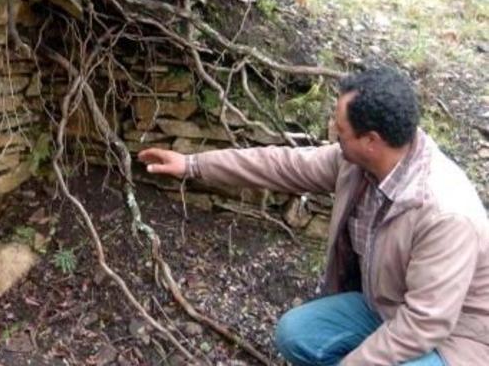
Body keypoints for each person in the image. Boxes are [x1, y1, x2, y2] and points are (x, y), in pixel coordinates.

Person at [138, 67, 488, 366]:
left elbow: (425, 324)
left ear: (371, 140)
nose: (333, 132)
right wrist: (192, 164)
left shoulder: (444, 213)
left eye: (340, 129)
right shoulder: (358, 164)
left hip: (452, 339)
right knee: (296, 335)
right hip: (385, 306)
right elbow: (282, 165)